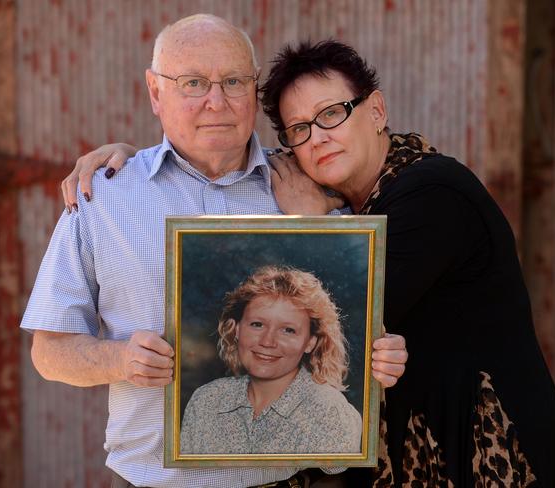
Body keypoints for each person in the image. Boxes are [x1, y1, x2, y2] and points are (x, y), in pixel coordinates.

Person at [69, 39, 555, 487]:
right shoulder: (356, 198)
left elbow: (354, 312)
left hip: (487, 450)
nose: (319, 137)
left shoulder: (432, 193)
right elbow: (202, 159)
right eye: (299, 129)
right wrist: (136, 161)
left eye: (333, 113)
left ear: (376, 110)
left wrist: (310, 218)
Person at [24, 15, 408, 488]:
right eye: (192, 83)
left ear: (253, 89)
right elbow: (49, 351)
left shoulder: (306, 185)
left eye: (233, 81)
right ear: (155, 92)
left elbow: (363, 328)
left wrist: (382, 355)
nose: (216, 101)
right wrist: (119, 360)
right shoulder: (103, 196)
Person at [181, 265, 362, 455]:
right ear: (236, 330)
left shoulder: (330, 412)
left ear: (310, 343)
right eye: (257, 325)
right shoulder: (207, 399)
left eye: (288, 330)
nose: (267, 342)